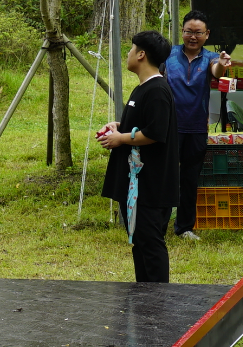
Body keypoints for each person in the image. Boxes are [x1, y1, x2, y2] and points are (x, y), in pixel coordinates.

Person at [99, 31, 179, 283]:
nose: (128, 53)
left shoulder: (157, 90)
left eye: (132, 48)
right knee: (139, 241)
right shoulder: (143, 88)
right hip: (137, 184)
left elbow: (155, 132)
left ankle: (158, 300)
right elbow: (144, 123)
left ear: (142, 54)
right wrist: (119, 126)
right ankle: (144, 296)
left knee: (151, 242)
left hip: (150, 184)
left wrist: (120, 139)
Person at [166, 10, 231, 242]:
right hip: (168, 126)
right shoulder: (168, 54)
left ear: (207, 34)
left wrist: (222, 65)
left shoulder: (211, 57)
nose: (192, 37)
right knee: (165, 176)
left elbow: (217, 71)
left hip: (195, 126)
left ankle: (184, 227)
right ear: (181, 32)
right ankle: (159, 222)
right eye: (188, 32)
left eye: (198, 33)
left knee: (190, 178)